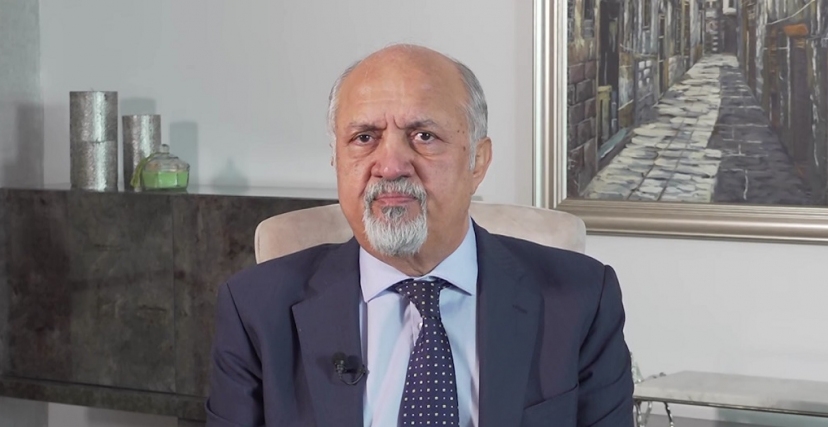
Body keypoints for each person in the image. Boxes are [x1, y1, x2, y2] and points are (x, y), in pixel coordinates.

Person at [205, 43, 634, 427]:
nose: (391, 166)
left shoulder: (580, 299)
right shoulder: (255, 308)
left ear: (478, 161)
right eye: (364, 137)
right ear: (336, 160)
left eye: (424, 136)